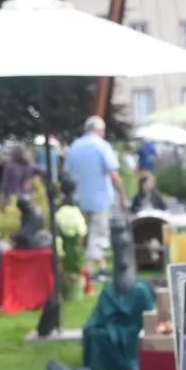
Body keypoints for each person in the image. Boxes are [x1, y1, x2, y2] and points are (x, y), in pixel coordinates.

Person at [64, 115, 128, 276]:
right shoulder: (102, 147)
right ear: (100, 130)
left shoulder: (74, 147)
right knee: (98, 234)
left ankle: (100, 266)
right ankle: (91, 271)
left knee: (83, 234)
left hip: (77, 198)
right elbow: (113, 173)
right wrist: (123, 196)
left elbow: (66, 174)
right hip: (100, 198)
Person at [0, 145, 43, 211]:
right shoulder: (25, 165)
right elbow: (41, 170)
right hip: (20, 194)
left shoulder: (12, 166)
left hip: (18, 195)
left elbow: (41, 170)